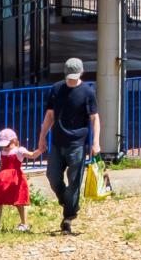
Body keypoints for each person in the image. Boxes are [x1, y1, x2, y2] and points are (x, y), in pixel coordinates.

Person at [36, 57, 100, 235]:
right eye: (69, 76)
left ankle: (68, 217)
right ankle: (68, 201)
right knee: (52, 176)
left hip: (77, 144)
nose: (71, 80)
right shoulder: (56, 89)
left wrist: (96, 142)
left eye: (74, 76)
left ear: (81, 73)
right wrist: (42, 137)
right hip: (57, 141)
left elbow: (94, 118)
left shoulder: (87, 92)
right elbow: (49, 115)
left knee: (74, 181)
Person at [0, 128, 34, 232]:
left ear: (14, 141)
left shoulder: (19, 151)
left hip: (15, 180)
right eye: (3, 145)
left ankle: (24, 224)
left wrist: (40, 150)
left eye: (7, 145)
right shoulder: (2, 153)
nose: (5, 147)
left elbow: (32, 155)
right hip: (3, 180)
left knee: (19, 201)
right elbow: (2, 166)